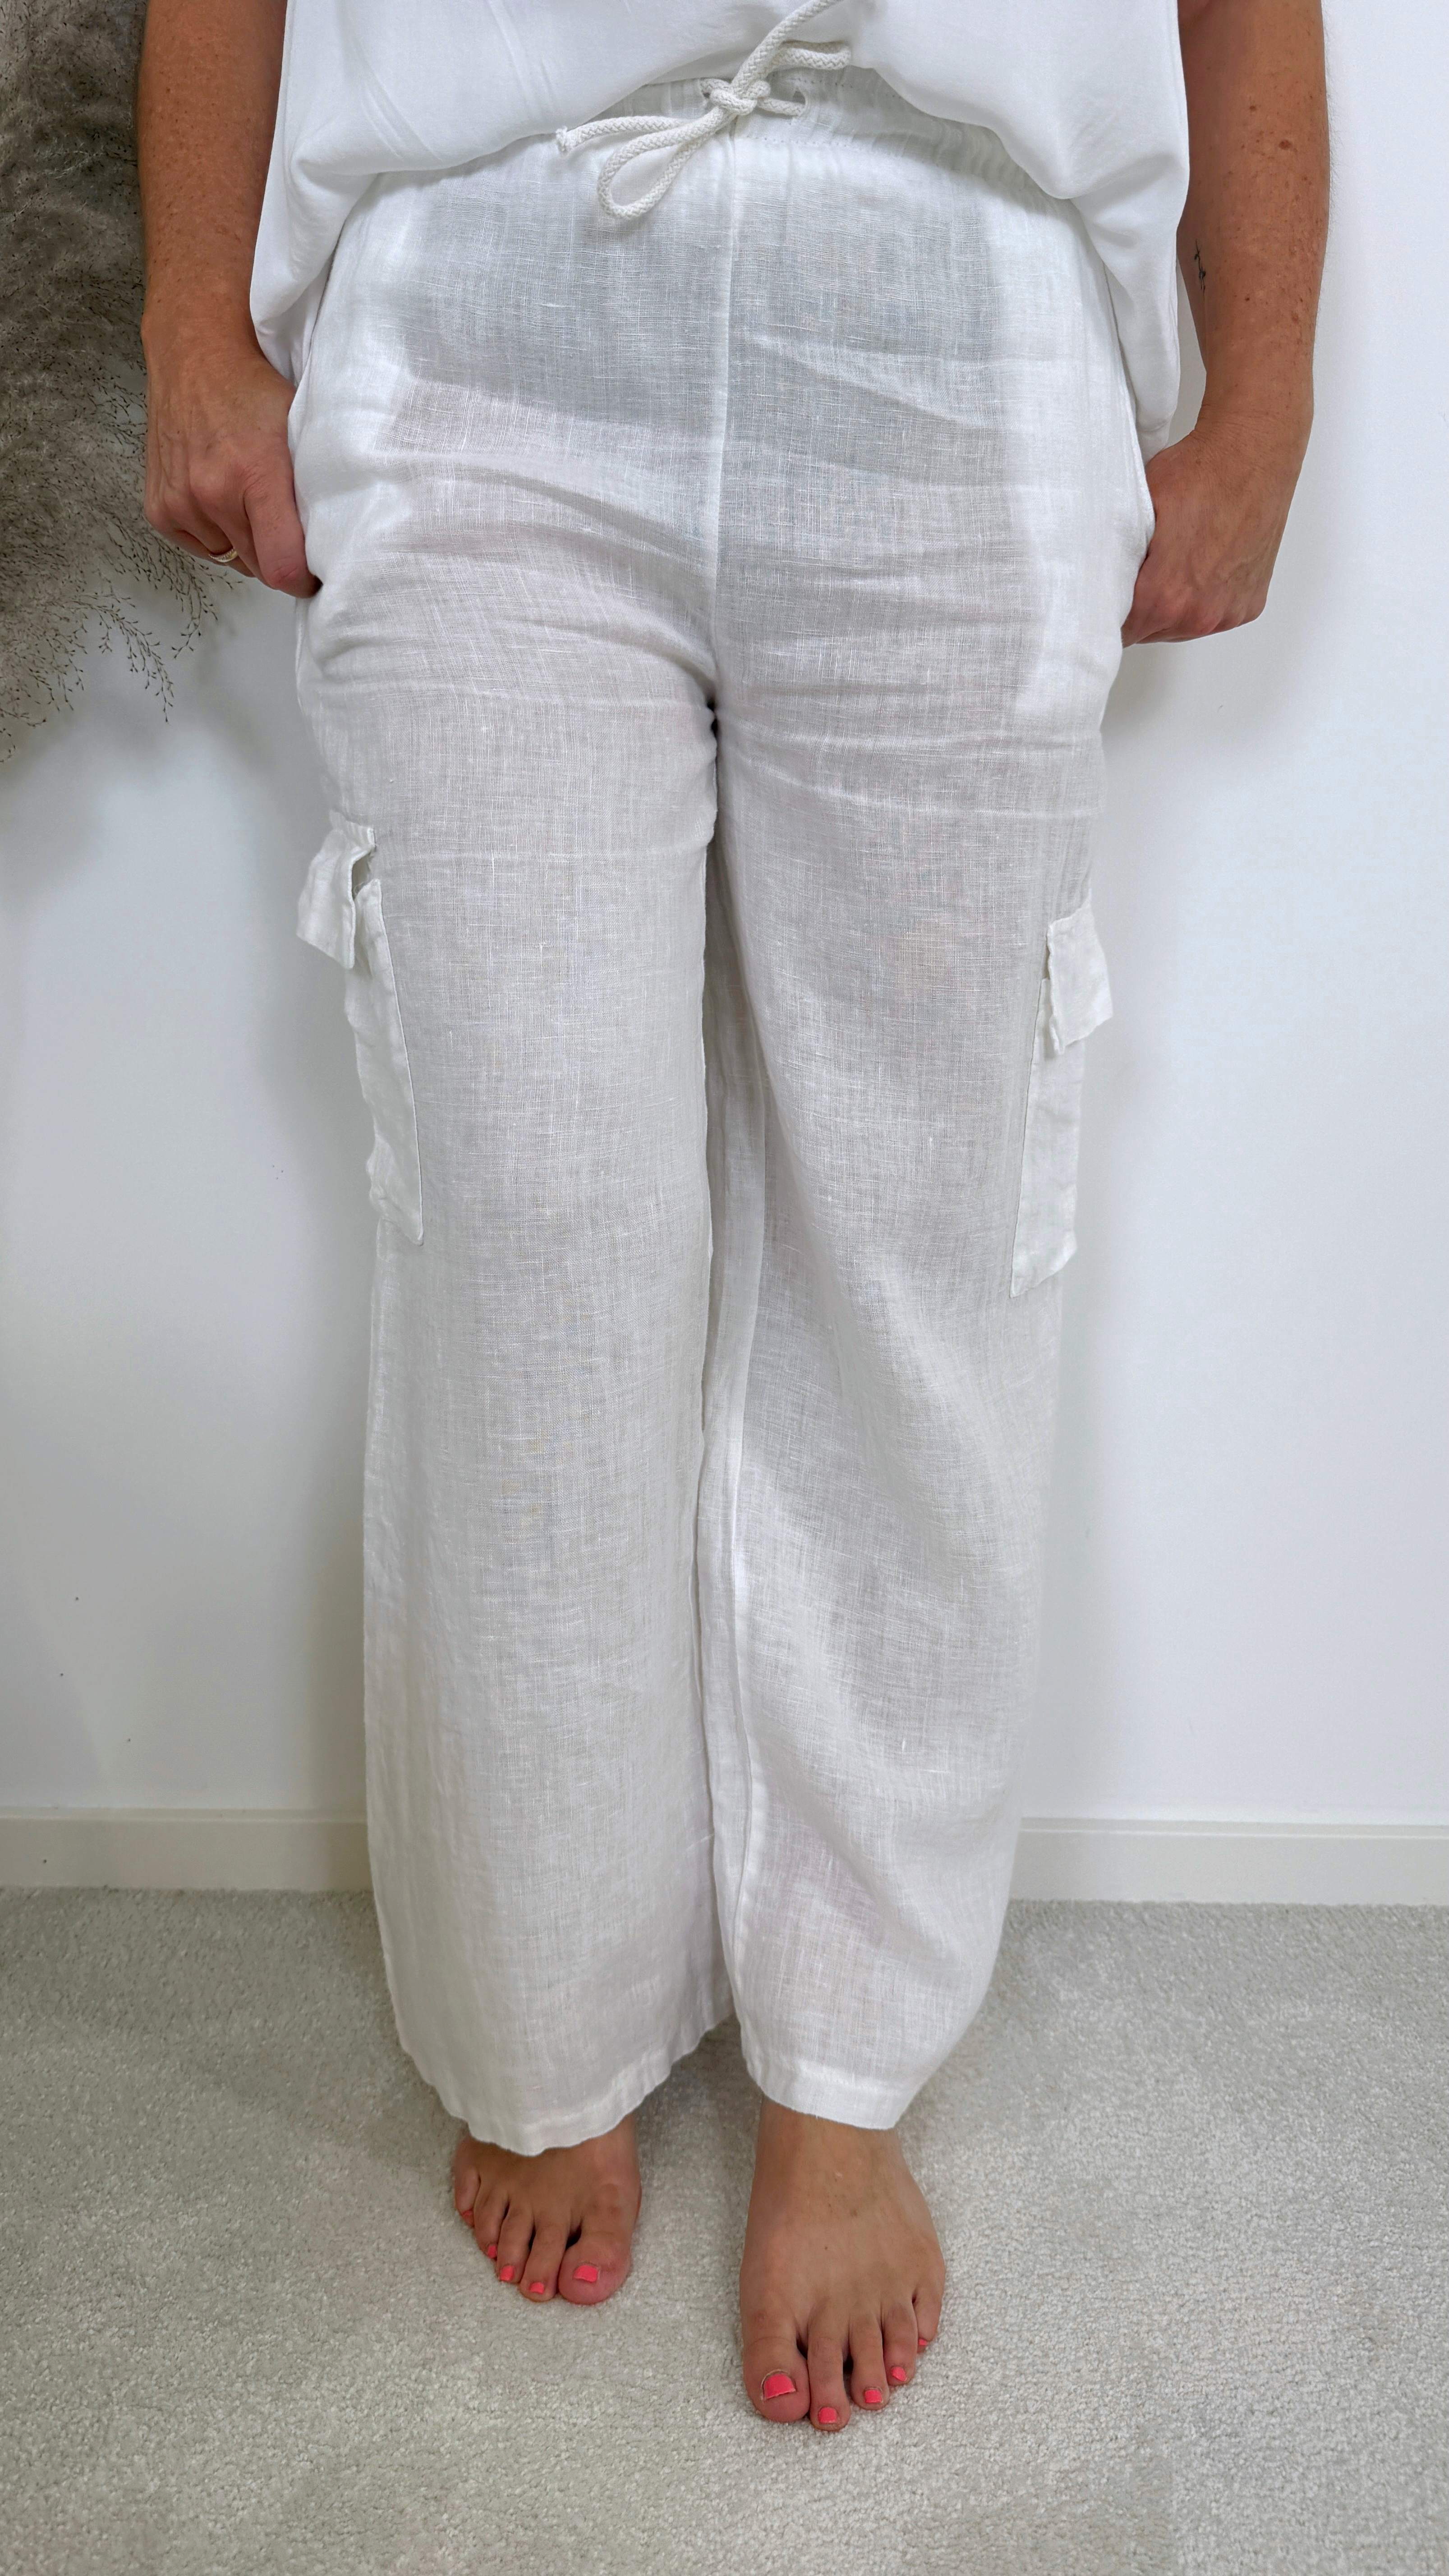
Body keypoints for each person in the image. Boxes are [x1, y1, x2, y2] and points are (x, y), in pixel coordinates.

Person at [138, 0, 1328, 2433]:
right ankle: (543, 2009)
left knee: (920, 1248)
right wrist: (187, 321)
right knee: (526, 1236)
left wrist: (1268, 411)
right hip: (481, 296)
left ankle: (846, 2062)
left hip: (956, 291)